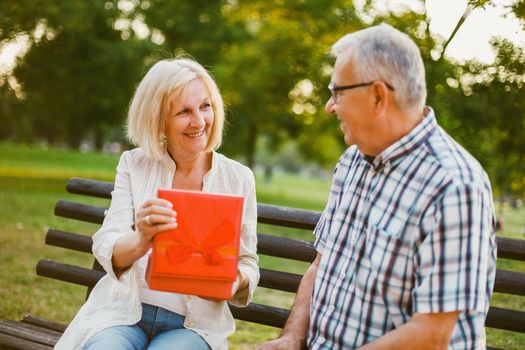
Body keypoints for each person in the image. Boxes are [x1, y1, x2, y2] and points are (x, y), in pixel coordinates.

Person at [260, 23, 496, 350]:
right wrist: (290, 339)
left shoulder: (454, 185)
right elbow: (321, 266)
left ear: (378, 95)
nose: (330, 106)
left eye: (338, 92)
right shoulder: (351, 161)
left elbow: (432, 335)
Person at [55, 58, 260, 350]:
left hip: (193, 328)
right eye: (184, 111)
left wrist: (234, 280)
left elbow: (248, 263)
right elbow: (107, 242)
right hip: (123, 316)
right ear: (158, 119)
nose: (199, 121)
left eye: (205, 106)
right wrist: (142, 238)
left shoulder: (239, 178)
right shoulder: (134, 164)